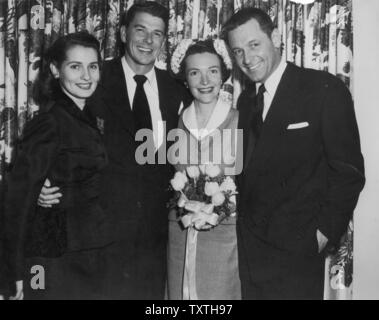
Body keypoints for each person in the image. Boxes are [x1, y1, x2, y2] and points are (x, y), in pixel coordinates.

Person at [38, 2, 190, 299]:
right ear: (123, 32)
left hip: (152, 239)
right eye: (141, 30)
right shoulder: (91, 77)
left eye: (157, 34)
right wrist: (40, 181)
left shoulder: (176, 91)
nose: (148, 40)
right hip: (97, 237)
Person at [222, 7, 365, 300]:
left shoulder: (323, 89)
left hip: (298, 249)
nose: (247, 59)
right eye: (237, 51)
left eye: (254, 45)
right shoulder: (247, 100)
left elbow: (348, 174)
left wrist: (321, 235)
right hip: (250, 251)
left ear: (275, 37)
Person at [2, 32, 110, 300]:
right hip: (53, 256)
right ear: (55, 69)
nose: (86, 76)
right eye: (75, 66)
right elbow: (19, 198)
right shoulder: (49, 122)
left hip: (89, 251)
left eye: (93, 66)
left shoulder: (89, 116)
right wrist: (12, 273)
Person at [166, 39, 241, 300]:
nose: (204, 80)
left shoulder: (239, 119)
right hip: (181, 232)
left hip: (225, 234)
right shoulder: (178, 122)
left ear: (223, 76)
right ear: (185, 80)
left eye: (212, 70)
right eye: (194, 72)